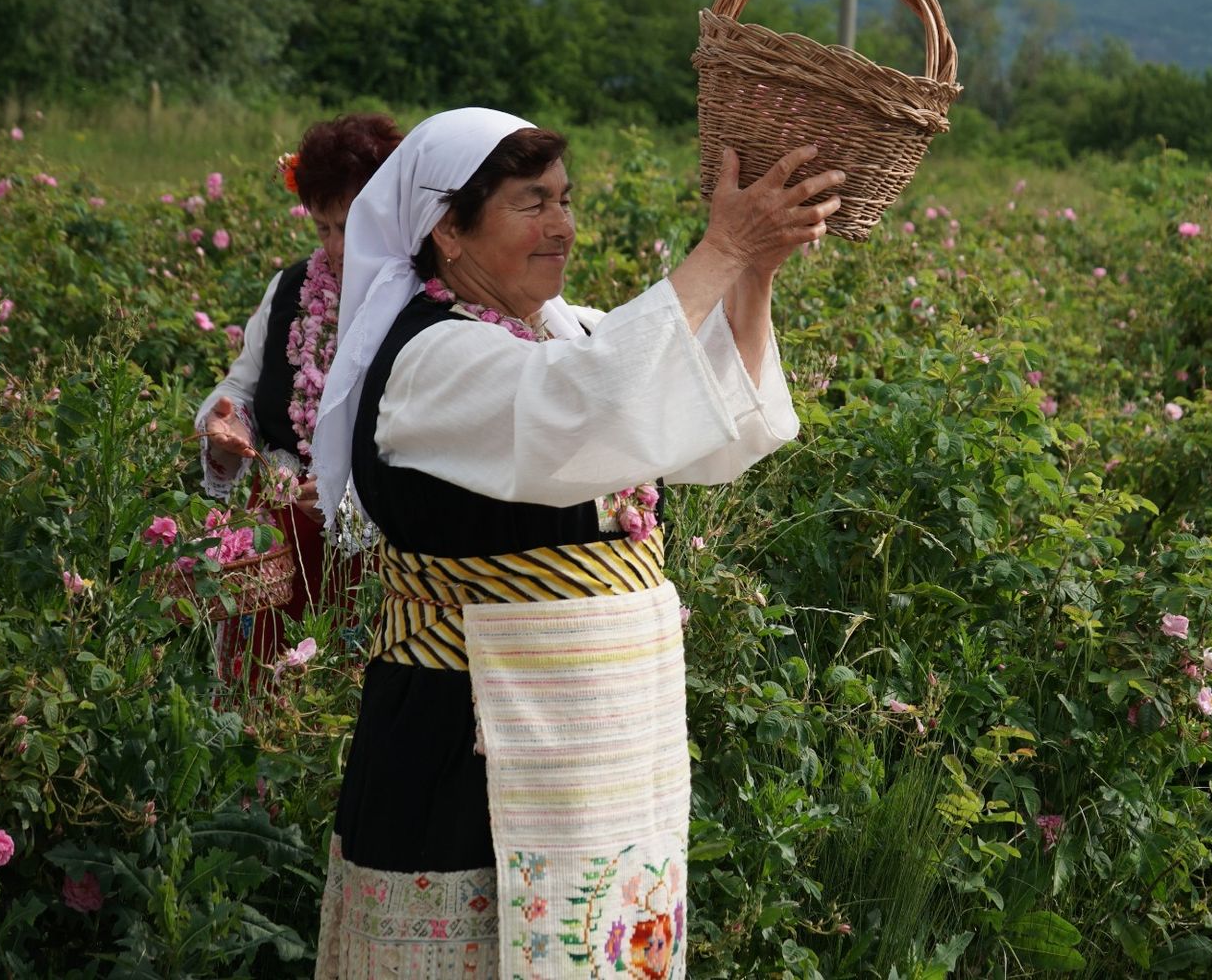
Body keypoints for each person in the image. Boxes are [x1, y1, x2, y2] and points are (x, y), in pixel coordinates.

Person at [308, 108, 833, 978]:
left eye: (565, 199)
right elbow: (590, 403)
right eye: (531, 203)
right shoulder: (427, 362)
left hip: (598, 751)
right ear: (446, 228)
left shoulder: (567, 331)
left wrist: (754, 275)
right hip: (467, 742)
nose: (564, 225)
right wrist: (721, 251)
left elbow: (717, 429)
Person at [195, 113, 404, 685]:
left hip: (383, 550)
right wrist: (227, 426)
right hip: (279, 543)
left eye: (351, 228)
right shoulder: (290, 289)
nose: (337, 248)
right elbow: (241, 385)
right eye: (324, 229)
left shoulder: (422, 304)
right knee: (261, 695)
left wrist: (355, 493)